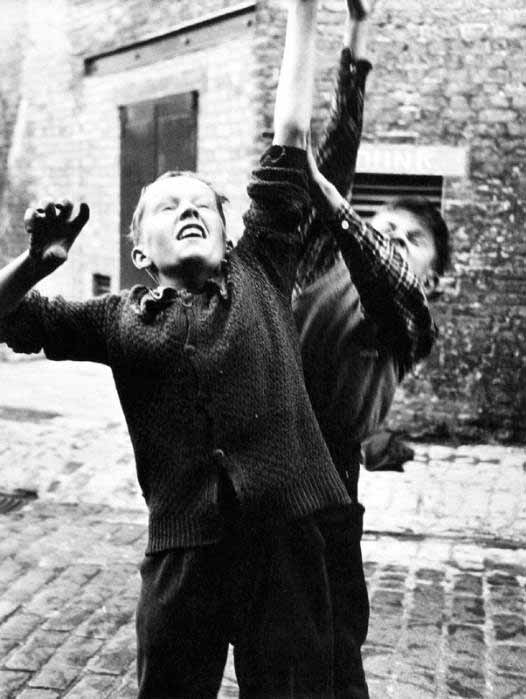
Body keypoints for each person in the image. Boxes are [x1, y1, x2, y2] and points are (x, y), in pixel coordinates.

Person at [0, 1, 376, 696]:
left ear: (232, 231)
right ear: (141, 250)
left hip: (286, 541)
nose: (191, 207)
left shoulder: (262, 263)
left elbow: (291, 131)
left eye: (203, 201)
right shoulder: (117, 319)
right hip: (183, 553)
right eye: (170, 205)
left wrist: (305, 9)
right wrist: (32, 265)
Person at [296, 0, 450, 499]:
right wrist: (357, 28)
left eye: (414, 239)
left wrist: (343, 213)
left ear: (433, 280)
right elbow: (339, 149)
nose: (395, 240)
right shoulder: (323, 263)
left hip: (329, 481)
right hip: (260, 457)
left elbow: (388, 281)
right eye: (385, 228)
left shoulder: (411, 328)